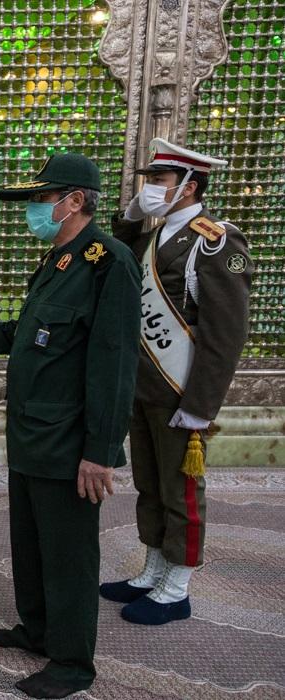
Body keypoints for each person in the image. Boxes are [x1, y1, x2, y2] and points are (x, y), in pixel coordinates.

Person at [0, 153, 141, 699]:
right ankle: (38, 630)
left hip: (70, 439)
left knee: (69, 552)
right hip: (32, 430)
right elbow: (26, 330)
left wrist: (99, 451)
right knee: (29, 541)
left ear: (73, 201)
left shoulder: (109, 263)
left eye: (40, 199)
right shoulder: (60, 260)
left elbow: (115, 364)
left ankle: (71, 662)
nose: (33, 209)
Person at [99, 139, 252, 625]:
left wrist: (201, 406)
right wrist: (130, 214)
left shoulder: (216, 240)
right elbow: (117, 254)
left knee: (181, 489)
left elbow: (225, 333)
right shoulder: (153, 235)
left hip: (180, 387)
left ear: (188, 187)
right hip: (143, 384)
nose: (149, 189)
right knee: (149, 483)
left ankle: (178, 586)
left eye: (159, 181)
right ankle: (152, 570)